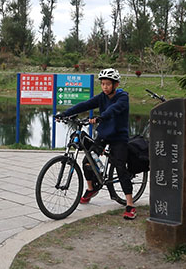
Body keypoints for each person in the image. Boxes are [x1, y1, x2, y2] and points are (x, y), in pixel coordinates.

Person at [56, 68, 136, 220]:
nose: (105, 87)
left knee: (120, 167)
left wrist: (101, 117)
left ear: (115, 84)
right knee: (87, 160)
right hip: (104, 134)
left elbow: (114, 109)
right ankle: (91, 188)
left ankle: (130, 205)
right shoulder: (101, 97)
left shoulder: (123, 97)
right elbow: (85, 105)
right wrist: (65, 113)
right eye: (103, 84)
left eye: (108, 84)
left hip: (119, 137)